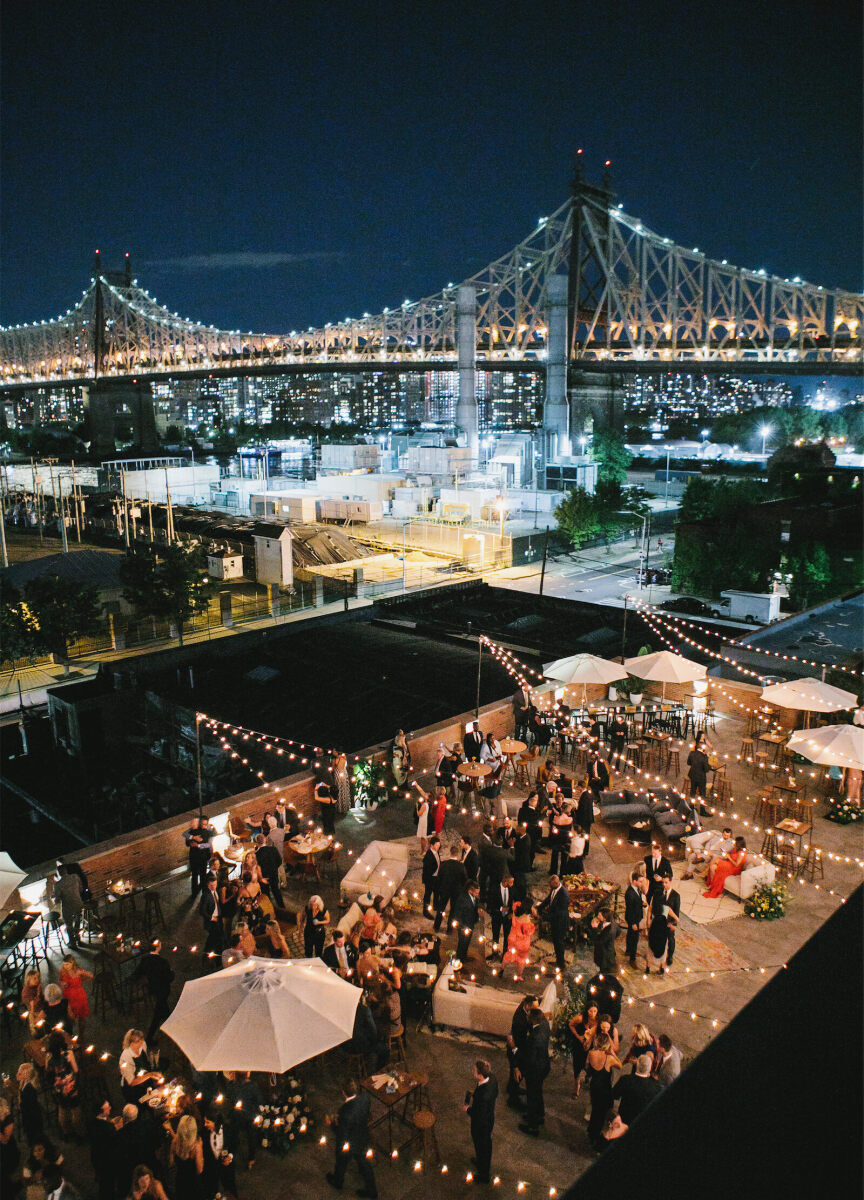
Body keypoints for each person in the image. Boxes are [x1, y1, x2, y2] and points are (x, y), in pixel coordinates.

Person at [325, 1080, 377, 1197]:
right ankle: (372, 1190)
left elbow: (341, 1134)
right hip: (363, 1135)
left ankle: (338, 1181)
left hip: (350, 1142)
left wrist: (332, 1124)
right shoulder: (365, 1098)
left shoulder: (344, 1112)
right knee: (364, 1164)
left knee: (341, 1160)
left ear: (343, 1093)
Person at [131, 940, 175, 1045]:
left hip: (153, 988)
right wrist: (172, 972)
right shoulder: (163, 962)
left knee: (162, 1006)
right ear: (158, 947)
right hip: (163, 989)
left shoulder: (145, 959)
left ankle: (168, 1017)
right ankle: (149, 1038)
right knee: (157, 1014)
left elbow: (137, 973)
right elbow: (169, 978)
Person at [585, 1032, 622, 1151]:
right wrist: (612, 1054)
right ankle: (595, 1136)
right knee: (601, 1114)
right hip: (605, 1090)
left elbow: (587, 1066)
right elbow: (620, 1066)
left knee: (595, 1109)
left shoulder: (591, 1053)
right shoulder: (609, 1058)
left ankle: (591, 1132)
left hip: (594, 1087)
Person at [517, 1008, 551, 1136]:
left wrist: (516, 1051)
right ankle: (539, 1114)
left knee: (532, 1096)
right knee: (538, 1092)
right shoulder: (545, 1025)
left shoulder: (534, 1037)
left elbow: (529, 1058)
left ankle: (532, 1126)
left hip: (535, 1070)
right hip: (544, 1065)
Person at [465, 1059, 498, 1185]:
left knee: (482, 1145)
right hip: (489, 1118)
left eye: (475, 1070)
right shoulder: (492, 1078)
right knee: (480, 1146)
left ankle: (484, 1175)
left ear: (480, 1074)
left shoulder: (484, 1097)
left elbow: (479, 1113)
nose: (473, 1071)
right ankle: (479, 1161)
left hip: (482, 1124)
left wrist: (468, 1109)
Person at [46, 1032, 83, 1138]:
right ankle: (79, 1134)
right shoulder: (68, 1054)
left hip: (59, 1088)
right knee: (76, 1111)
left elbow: (48, 1073)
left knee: (62, 1111)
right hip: (71, 1087)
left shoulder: (49, 1057)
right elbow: (76, 1070)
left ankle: (67, 1133)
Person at [506, 996, 538, 1109]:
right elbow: (514, 1043)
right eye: (534, 1008)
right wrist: (516, 1064)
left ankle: (511, 1088)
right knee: (517, 1073)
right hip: (515, 1049)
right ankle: (513, 1100)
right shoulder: (520, 1021)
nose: (536, 1010)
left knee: (514, 1075)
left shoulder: (523, 1008)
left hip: (516, 1047)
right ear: (527, 1006)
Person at [611, 1052, 662, 1125]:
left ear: (637, 1065)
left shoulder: (625, 1080)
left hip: (625, 1117)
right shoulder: (656, 1086)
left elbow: (614, 1094)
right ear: (650, 1068)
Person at [648, 874, 680, 973]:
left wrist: (674, 925)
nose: (664, 884)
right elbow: (652, 907)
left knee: (670, 939)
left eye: (666, 882)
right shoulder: (658, 892)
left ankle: (670, 957)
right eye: (663, 882)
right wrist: (649, 920)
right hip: (658, 921)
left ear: (670, 882)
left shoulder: (676, 896)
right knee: (657, 940)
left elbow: (676, 911)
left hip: (669, 922)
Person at [88, 1099, 120, 1200]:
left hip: (96, 1158)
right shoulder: (108, 1128)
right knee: (108, 1184)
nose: (110, 1107)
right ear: (101, 1112)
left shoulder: (92, 1122)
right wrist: (116, 1128)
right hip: (107, 1161)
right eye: (107, 1107)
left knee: (104, 1182)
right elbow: (114, 1143)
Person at [202, 1105, 235, 1200]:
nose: (205, 1124)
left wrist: (230, 1156)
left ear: (215, 1122)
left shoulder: (228, 1130)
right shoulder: (204, 1132)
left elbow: (235, 1144)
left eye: (207, 1122)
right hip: (211, 1170)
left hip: (226, 1169)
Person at [119, 1030, 160, 1107]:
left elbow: (145, 1061)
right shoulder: (125, 1058)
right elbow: (132, 1082)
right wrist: (149, 1075)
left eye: (142, 1040)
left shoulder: (142, 1044)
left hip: (144, 1079)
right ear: (131, 1043)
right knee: (139, 1106)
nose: (141, 1043)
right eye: (138, 1041)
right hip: (133, 1089)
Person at [537, 875, 570, 971]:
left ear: (556, 883)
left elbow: (558, 914)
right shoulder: (554, 889)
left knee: (559, 943)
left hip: (560, 922)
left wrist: (543, 917)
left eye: (551, 886)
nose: (549, 887)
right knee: (556, 942)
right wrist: (539, 908)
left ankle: (561, 965)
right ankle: (558, 961)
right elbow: (548, 900)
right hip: (555, 921)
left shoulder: (564, 895)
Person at [433, 847, 468, 934]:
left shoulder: (444, 864)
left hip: (445, 890)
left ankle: (436, 926)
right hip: (456, 891)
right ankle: (449, 929)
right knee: (453, 910)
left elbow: (439, 877)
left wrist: (439, 888)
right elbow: (465, 880)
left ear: (450, 853)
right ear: (457, 854)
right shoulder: (461, 866)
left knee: (441, 908)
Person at [58, 955, 92, 1037]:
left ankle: (81, 1035)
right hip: (68, 997)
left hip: (79, 996)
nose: (65, 967)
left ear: (72, 963)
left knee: (81, 1017)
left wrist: (82, 977)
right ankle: (70, 1035)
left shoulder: (78, 970)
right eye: (64, 964)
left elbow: (91, 976)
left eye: (67, 964)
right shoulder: (63, 971)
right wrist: (62, 983)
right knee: (69, 1018)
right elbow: (59, 980)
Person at [170, 1114, 204, 1199]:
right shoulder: (196, 1147)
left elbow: (171, 1161)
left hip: (180, 1179)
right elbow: (199, 1170)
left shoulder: (174, 1142)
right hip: (193, 1183)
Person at [568, 1003, 599, 1094]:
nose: (593, 1013)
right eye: (590, 1011)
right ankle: (577, 1084)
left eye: (595, 1011)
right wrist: (578, 1037)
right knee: (577, 1064)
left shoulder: (598, 1021)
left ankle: (588, 1077)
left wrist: (591, 1042)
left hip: (591, 1046)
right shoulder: (580, 1018)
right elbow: (571, 1025)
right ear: (586, 1011)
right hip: (578, 1045)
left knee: (590, 1064)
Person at [53, 865, 84, 949]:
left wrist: (53, 898)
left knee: (69, 925)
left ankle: (73, 943)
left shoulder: (57, 885)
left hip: (68, 907)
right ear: (66, 870)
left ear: (59, 873)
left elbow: (57, 900)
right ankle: (78, 939)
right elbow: (81, 889)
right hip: (78, 903)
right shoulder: (75, 877)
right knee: (78, 922)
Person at [502, 903, 534, 982]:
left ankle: (501, 970)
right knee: (522, 959)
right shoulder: (526, 919)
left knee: (508, 955)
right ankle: (518, 976)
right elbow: (528, 932)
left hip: (512, 938)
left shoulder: (515, 912)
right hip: (522, 942)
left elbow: (515, 905)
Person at [450, 881, 481, 964]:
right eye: (476, 893)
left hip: (470, 923)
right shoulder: (462, 899)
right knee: (462, 943)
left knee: (467, 942)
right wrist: (463, 927)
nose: (478, 895)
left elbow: (474, 908)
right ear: (470, 891)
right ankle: (459, 960)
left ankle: (464, 957)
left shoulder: (475, 898)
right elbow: (458, 915)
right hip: (463, 926)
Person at [184, 816, 215, 898]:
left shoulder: (207, 830)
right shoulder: (191, 831)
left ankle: (202, 892)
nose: (192, 824)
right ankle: (195, 893)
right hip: (195, 856)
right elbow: (187, 842)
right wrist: (192, 841)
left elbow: (208, 844)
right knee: (196, 875)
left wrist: (197, 845)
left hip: (202, 856)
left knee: (201, 875)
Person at [198, 874, 224, 966]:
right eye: (211, 885)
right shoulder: (206, 896)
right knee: (218, 941)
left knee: (211, 940)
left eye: (215, 885)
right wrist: (212, 918)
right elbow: (202, 911)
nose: (214, 887)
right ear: (208, 885)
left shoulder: (216, 891)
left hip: (218, 919)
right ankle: (218, 961)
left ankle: (205, 955)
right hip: (212, 922)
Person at [623, 871, 647, 967]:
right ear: (634, 881)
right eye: (640, 881)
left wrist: (642, 903)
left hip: (636, 916)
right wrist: (633, 923)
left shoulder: (637, 889)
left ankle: (628, 951)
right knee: (634, 938)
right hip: (633, 918)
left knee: (630, 934)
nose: (642, 883)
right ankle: (632, 959)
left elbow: (637, 902)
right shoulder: (630, 893)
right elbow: (630, 909)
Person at [253, 834, 284, 909]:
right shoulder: (273, 849)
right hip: (273, 874)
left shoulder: (256, 854)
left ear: (257, 842)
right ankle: (282, 907)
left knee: (265, 893)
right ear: (265, 840)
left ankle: (269, 908)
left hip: (264, 876)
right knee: (276, 891)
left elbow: (257, 867)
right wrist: (274, 868)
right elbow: (279, 861)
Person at [489, 874, 516, 955]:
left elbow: (514, 902)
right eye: (511, 882)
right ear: (505, 882)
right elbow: (490, 903)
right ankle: (494, 953)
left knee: (507, 937)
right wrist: (501, 909)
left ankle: (505, 954)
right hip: (497, 916)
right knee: (495, 936)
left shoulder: (512, 889)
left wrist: (512, 912)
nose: (512, 884)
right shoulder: (494, 889)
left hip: (507, 917)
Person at [17, 1063, 43, 1146]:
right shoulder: (24, 1083)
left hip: (32, 1117)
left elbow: (28, 1105)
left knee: (36, 1139)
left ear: (26, 1074)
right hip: (28, 1115)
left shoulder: (30, 1088)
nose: (17, 1074)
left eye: (20, 1073)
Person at [589, 909, 619, 974]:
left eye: (599, 915)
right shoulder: (613, 923)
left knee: (604, 972)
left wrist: (595, 929)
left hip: (605, 955)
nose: (597, 916)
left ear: (605, 918)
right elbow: (619, 932)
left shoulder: (608, 930)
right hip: (609, 950)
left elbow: (598, 941)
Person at [21, 968, 45, 1036]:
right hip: (35, 1012)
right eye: (34, 978)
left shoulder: (36, 986)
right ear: (29, 980)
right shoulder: (27, 991)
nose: (37, 980)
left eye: (38, 978)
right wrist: (38, 993)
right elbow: (33, 1005)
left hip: (41, 1009)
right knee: (36, 1031)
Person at [421, 837, 441, 918]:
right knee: (427, 895)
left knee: (437, 892)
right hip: (430, 879)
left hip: (436, 877)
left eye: (439, 845)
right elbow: (427, 871)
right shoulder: (428, 856)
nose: (439, 846)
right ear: (431, 845)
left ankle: (436, 906)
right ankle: (425, 912)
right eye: (437, 845)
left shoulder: (436, 851)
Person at [412, 783, 430, 850]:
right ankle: (429, 848)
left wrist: (417, 808)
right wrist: (416, 785)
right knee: (429, 836)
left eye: (427, 794)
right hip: (429, 821)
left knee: (423, 837)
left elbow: (419, 814)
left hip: (423, 821)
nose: (425, 794)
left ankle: (423, 851)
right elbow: (421, 791)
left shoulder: (424, 805)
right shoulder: (431, 802)